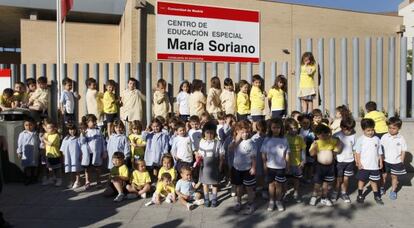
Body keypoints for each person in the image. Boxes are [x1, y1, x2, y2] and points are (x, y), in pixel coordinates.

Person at [309, 124, 342, 207]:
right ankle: (314, 196)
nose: (324, 135)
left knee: (326, 183)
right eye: (321, 134)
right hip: (319, 167)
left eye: (326, 133)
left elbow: (339, 146)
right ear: (317, 135)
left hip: (330, 167)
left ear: (329, 133)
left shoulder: (332, 140)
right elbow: (311, 154)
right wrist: (315, 147)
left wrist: (337, 146)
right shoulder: (316, 142)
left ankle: (324, 198)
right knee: (317, 183)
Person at [261, 118, 290, 212]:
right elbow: (263, 153)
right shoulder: (267, 139)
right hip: (270, 166)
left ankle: (278, 200)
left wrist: (287, 165)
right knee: (271, 185)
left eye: (278, 127)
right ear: (270, 128)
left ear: (281, 128)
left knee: (278, 185)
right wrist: (264, 164)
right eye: (274, 127)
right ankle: (271, 201)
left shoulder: (284, 140)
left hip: (281, 167)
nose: (276, 129)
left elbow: (287, 154)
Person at [229, 120, 256, 215]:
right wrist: (237, 138)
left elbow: (253, 157)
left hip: (248, 169)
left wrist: (253, 167)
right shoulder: (235, 141)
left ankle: (251, 203)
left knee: (249, 188)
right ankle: (238, 202)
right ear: (237, 131)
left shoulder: (251, 142)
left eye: (247, 132)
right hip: (237, 168)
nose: (245, 134)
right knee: (238, 187)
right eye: (242, 132)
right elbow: (230, 148)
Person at [355, 118, 384, 205]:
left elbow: (380, 152)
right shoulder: (360, 139)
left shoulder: (377, 139)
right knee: (362, 181)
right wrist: (358, 162)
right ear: (363, 130)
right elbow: (357, 152)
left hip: (374, 166)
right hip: (364, 166)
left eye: (372, 130)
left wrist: (381, 162)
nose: (370, 132)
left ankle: (376, 195)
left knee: (374, 181)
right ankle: (360, 195)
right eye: (368, 130)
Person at [197, 121, 224, 208]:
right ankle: (206, 198)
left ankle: (214, 199)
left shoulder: (217, 143)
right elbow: (200, 153)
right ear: (204, 133)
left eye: (211, 133)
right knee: (205, 183)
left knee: (214, 183)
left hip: (214, 166)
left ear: (214, 133)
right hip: (204, 166)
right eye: (207, 133)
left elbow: (221, 155)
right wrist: (198, 157)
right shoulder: (202, 142)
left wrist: (220, 165)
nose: (209, 135)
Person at [380, 117, 407, 200]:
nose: (391, 130)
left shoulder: (401, 138)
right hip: (385, 161)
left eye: (394, 128)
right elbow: (380, 148)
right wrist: (381, 159)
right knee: (383, 176)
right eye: (389, 128)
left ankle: (393, 191)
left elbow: (403, 150)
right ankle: (382, 188)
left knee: (394, 177)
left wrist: (402, 160)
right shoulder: (384, 136)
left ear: (399, 128)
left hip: (396, 162)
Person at [332, 117, 356, 203]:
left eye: (350, 129)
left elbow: (354, 149)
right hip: (339, 161)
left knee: (346, 179)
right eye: (346, 130)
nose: (348, 132)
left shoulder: (353, 135)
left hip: (349, 161)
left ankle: (344, 193)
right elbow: (332, 148)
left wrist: (356, 160)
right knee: (338, 179)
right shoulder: (336, 135)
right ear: (341, 127)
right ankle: (335, 192)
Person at [80, 114, 106, 189]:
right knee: (87, 169)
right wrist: (83, 135)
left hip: (97, 153)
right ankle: (87, 181)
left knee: (97, 168)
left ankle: (98, 181)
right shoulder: (85, 131)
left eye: (95, 121)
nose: (94, 123)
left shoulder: (98, 131)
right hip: (88, 154)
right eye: (92, 121)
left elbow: (102, 142)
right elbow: (82, 142)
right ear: (87, 122)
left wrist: (104, 151)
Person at [285, 118, 306, 203]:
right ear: (287, 129)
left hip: (297, 163)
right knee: (286, 179)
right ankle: (285, 192)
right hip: (287, 163)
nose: (293, 130)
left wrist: (303, 160)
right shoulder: (284, 137)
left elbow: (303, 149)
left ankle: (296, 192)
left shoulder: (300, 138)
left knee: (296, 179)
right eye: (291, 128)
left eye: (295, 128)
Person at [143, 118, 170, 183]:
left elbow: (166, 146)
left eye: (157, 126)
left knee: (158, 170)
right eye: (154, 126)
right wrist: (147, 131)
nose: (155, 128)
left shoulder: (163, 135)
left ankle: (157, 182)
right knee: (150, 170)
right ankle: (152, 182)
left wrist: (165, 154)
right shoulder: (149, 135)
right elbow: (143, 137)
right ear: (151, 127)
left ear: (160, 126)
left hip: (159, 155)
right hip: (150, 156)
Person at [16, 118, 40, 185]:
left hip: (34, 152)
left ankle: (34, 178)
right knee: (27, 166)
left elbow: (38, 142)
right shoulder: (22, 134)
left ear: (34, 125)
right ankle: (28, 178)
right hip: (26, 152)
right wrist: (19, 152)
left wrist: (40, 149)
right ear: (24, 126)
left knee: (35, 166)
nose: (28, 127)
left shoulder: (36, 133)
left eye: (30, 125)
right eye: (26, 125)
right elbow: (19, 143)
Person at [60, 123, 82, 189]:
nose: (72, 131)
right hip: (68, 157)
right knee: (70, 169)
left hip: (75, 156)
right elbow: (62, 149)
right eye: (70, 130)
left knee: (76, 169)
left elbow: (81, 147)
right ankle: (71, 181)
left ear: (76, 130)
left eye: (73, 129)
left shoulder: (78, 138)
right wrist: (63, 156)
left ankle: (77, 181)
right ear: (68, 130)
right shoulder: (65, 139)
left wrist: (81, 155)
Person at [251, 120, 267, 199]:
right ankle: (256, 188)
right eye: (259, 127)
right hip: (257, 158)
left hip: (265, 158)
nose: (261, 129)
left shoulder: (267, 137)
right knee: (257, 174)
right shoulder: (254, 137)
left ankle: (264, 189)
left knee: (264, 174)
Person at [43, 122, 62, 186]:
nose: (48, 129)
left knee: (57, 169)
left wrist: (44, 139)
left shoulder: (56, 135)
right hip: (48, 155)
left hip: (55, 155)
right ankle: (51, 179)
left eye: (50, 128)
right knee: (50, 168)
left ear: (54, 128)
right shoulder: (47, 135)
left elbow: (50, 144)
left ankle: (59, 180)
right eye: (47, 128)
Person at [298, 114, 315, 183]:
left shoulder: (312, 131)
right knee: (303, 165)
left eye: (307, 123)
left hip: (309, 151)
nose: (306, 124)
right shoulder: (298, 131)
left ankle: (309, 177)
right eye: (304, 123)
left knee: (310, 165)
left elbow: (313, 140)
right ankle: (303, 177)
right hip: (300, 151)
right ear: (300, 123)